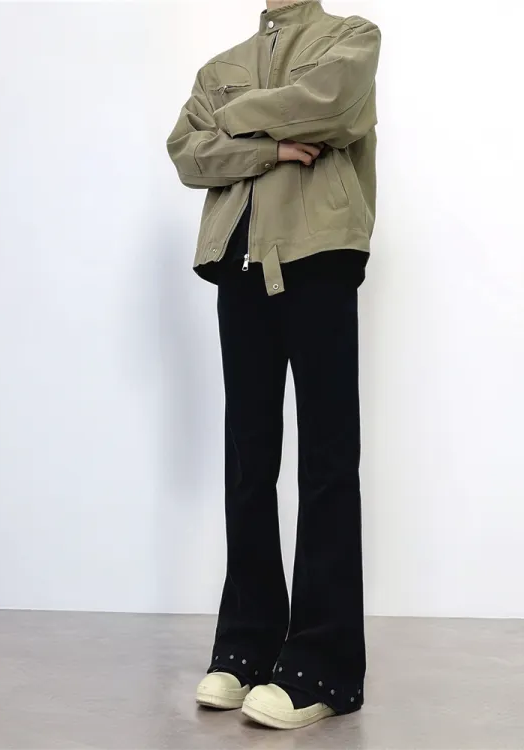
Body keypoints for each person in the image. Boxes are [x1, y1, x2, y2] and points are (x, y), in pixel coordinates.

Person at [166, 0, 381, 731]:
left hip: (318, 254)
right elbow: (187, 152)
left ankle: (323, 666)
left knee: (327, 460)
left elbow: (332, 106)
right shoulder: (219, 66)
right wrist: (271, 147)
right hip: (238, 259)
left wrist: (235, 120)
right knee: (249, 462)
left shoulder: (351, 38)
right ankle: (247, 646)